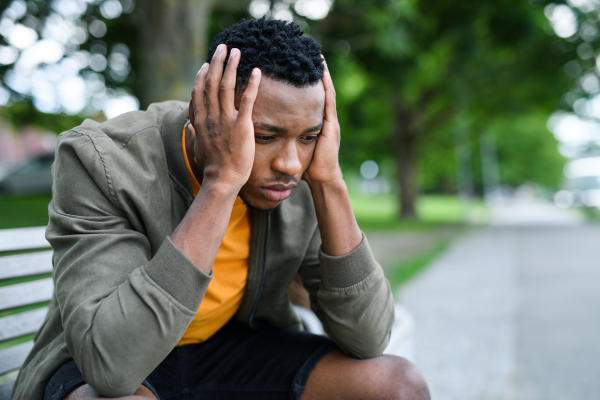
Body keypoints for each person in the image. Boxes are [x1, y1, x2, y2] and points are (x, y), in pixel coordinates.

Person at [12, 18, 430, 400]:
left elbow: (369, 339)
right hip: (117, 360)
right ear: (204, 111)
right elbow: (112, 369)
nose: (289, 164)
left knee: (397, 387)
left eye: (309, 137)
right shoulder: (102, 161)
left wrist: (330, 184)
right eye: (265, 136)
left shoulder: (304, 175)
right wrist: (221, 184)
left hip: (231, 348)